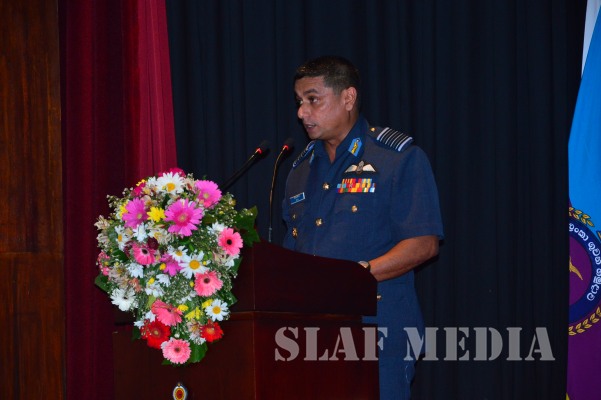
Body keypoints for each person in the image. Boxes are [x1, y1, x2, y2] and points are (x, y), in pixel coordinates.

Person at [282, 56, 443, 399]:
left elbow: (424, 243)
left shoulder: (396, 158)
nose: (302, 112)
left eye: (313, 99)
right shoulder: (300, 169)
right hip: (309, 335)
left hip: (377, 329)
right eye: (299, 101)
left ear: (348, 98)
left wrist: (356, 276)